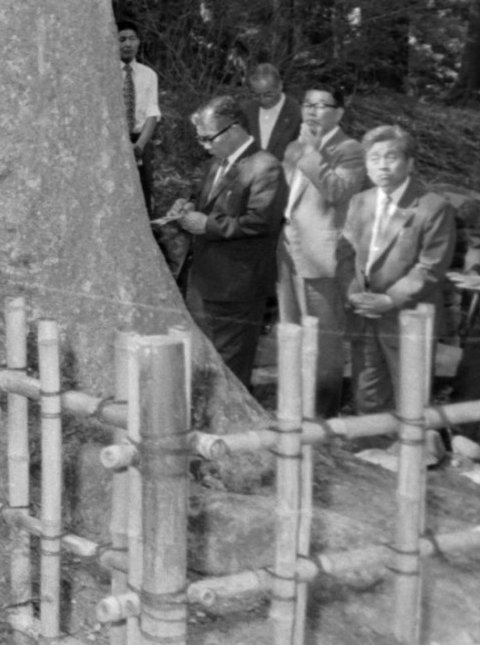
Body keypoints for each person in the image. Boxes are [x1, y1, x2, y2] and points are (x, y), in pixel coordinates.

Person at [339, 125, 457, 418]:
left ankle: (410, 457)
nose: (382, 165)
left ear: (410, 163)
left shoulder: (433, 207)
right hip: (364, 314)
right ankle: (369, 455)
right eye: (374, 158)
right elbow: (344, 253)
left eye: (390, 157)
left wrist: (389, 300)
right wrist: (354, 293)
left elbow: (430, 268)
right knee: (367, 392)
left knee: (411, 396)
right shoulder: (359, 201)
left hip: (409, 318)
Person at [177, 94, 288, 387]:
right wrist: (187, 207)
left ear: (235, 129)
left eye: (208, 138)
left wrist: (208, 225)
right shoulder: (217, 163)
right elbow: (206, 201)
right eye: (200, 139)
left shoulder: (266, 167)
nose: (204, 146)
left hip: (236, 286)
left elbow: (260, 222)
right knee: (203, 361)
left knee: (231, 368)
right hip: (203, 281)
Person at [276, 81, 367, 417]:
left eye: (322, 105)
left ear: (339, 112)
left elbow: (338, 192)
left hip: (323, 255)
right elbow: (285, 197)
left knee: (325, 339)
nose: (313, 111)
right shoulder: (292, 147)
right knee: (292, 331)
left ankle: (323, 415)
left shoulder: (351, 149)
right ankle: (294, 408)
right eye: (308, 105)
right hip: (287, 248)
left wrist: (313, 152)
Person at [117, 20, 160, 208]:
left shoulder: (148, 74)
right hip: (114, 140)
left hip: (140, 140)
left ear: (139, 42)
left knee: (143, 189)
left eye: (132, 38)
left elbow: (153, 112)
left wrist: (139, 146)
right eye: (122, 39)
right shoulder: (104, 74)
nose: (127, 44)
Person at [243, 63, 300, 160]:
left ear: (280, 86)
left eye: (268, 95)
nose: (262, 100)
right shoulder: (246, 111)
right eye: (256, 95)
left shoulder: (297, 114)